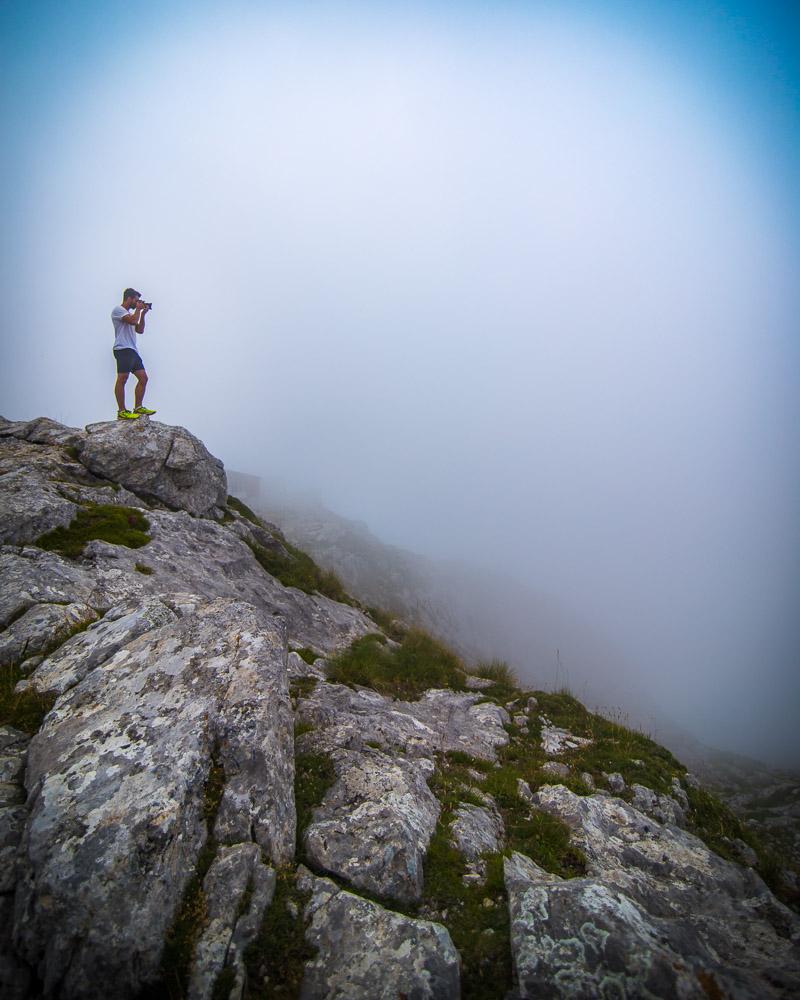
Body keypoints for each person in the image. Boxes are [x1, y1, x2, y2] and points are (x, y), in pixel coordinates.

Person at [111, 288, 156, 420]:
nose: (137, 303)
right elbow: (131, 321)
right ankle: (122, 411)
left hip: (132, 350)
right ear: (129, 298)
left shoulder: (133, 314)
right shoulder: (118, 310)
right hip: (122, 348)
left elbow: (140, 330)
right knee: (123, 378)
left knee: (143, 378)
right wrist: (138, 309)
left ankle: (138, 407)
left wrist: (143, 313)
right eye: (136, 300)